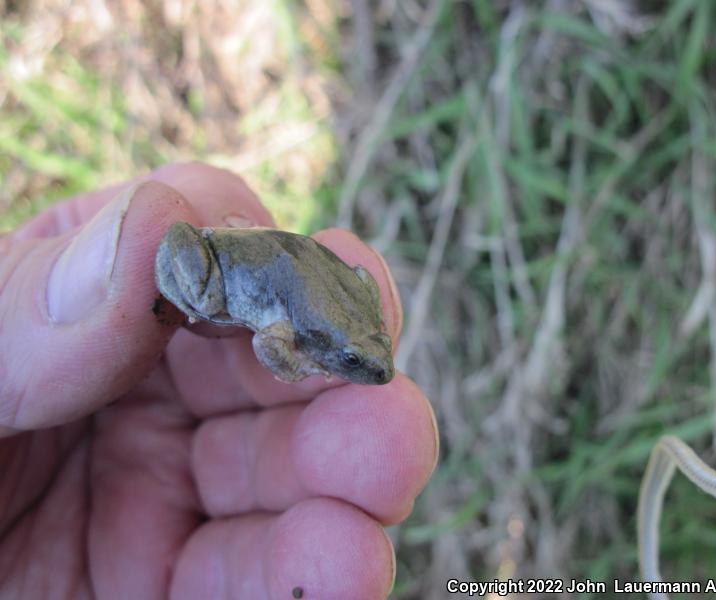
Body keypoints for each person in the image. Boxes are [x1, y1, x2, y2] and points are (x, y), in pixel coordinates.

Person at [0, 162, 438, 599]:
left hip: (273, 270)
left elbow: (361, 277)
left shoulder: (328, 316)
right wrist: (302, 366)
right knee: (200, 280)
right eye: (351, 360)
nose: (376, 370)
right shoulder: (295, 329)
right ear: (326, 343)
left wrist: (352, 339)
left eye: (366, 352)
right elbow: (270, 346)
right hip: (217, 262)